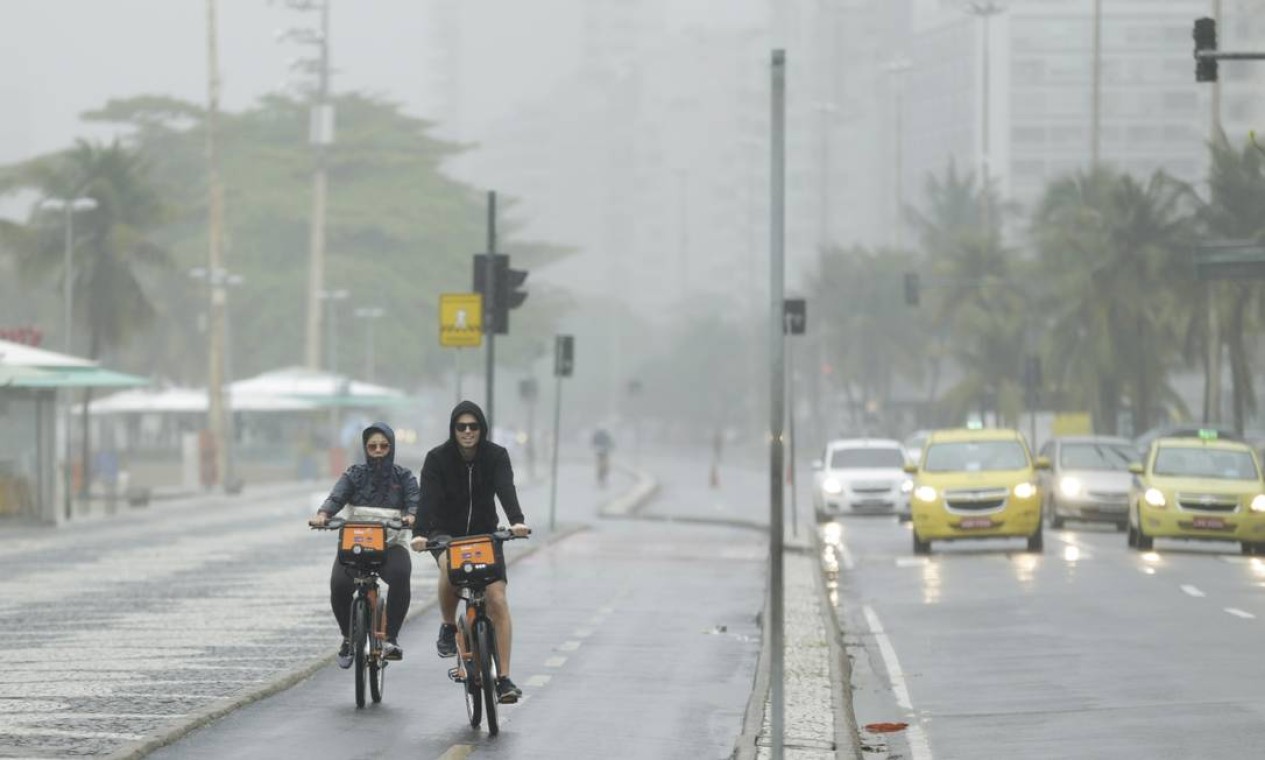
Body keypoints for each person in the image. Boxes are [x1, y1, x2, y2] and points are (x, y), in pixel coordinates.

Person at [410, 400, 531, 704]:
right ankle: (449, 626)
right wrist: (421, 533)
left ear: (482, 429)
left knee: (498, 600)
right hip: (444, 535)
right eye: (461, 427)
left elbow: (506, 489)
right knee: (450, 566)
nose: (467, 432)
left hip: (485, 536)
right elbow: (427, 499)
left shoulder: (496, 456)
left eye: (473, 426)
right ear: (453, 429)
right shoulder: (437, 458)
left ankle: (503, 679)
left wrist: (516, 521)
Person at [309, 422, 418, 666]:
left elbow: (414, 500)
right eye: (373, 446)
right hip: (355, 547)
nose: (378, 450)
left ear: (391, 447)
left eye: (383, 445)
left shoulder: (404, 476)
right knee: (338, 585)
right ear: (365, 448)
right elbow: (336, 497)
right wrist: (323, 515)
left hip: (390, 547)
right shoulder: (353, 474)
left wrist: (411, 515)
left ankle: (390, 638)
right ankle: (348, 638)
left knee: (401, 575)